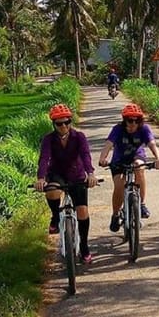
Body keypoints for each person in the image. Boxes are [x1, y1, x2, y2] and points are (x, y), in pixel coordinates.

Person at [36, 103, 98, 264]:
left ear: (70, 122)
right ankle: (55, 217)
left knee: (82, 211)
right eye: (59, 123)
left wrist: (90, 174)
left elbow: (85, 155)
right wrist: (41, 178)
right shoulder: (48, 139)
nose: (63, 126)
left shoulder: (79, 137)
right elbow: (44, 159)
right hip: (56, 174)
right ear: (54, 125)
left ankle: (84, 246)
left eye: (66, 122)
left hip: (76, 174)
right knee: (52, 191)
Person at [98, 103, 159, 232]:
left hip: (136, 157)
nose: (133, 123)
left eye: (137, 120)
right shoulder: (117, 129)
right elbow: (108, 145)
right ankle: (115, 214)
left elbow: (152, 144)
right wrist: (103, 159)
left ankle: (142, 204)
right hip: (119, 160)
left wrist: (158, 158)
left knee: (139, 167)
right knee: (119, 186)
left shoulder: (144, 129)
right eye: (130, 120)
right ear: (124, 120)